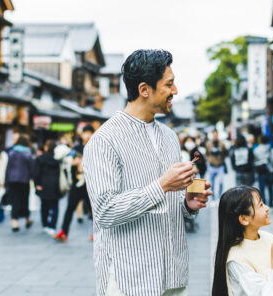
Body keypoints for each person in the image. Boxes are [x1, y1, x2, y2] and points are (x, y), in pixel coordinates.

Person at [83, 49, 212, 296]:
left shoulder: (170, 137)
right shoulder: (105, 141)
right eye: (169, 84)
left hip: (172, 273)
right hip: (129, 277)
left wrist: (187, 205)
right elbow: (104, 212)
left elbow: (169, 203)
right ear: (144, 89)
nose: (175, 91)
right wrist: (162, 185)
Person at [212, 186, 273, 296]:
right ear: (244, 219)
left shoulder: (269, 237)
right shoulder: (236, 259)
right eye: (260, 205)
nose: (267, 208)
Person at [54, 125, 95, 242]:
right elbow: (68, 161)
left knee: (94, 211)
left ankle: (97, 233)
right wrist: (74, 162)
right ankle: (63, 232)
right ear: (81, 135)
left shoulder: (96, 146)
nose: (87, 135)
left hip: (89, 185)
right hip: (76, 184)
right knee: (69, 209)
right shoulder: (76, 148)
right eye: (85, 133)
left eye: (89, 133)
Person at [6, 135, 34, 232]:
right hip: (24, 181)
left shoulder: (12, 153)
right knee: (24, 200)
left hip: (13, 180)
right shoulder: (28, 153)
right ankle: (27, 219)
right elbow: (32, 168)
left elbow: (8, 168)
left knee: (15, 201)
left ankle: (14, 223)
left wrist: (6, 181)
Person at [33, 139, 61, 236]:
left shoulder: (40, 159)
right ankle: (52, 226)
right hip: (55, 185)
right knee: (55, 206)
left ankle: (45, 224)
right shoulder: (57, 160)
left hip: (43, 184)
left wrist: (37, 184)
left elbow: (36, 172)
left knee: (44, 205)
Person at [254, 135, 273, 207]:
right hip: (270, 171)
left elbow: (255, 160)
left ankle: (263, 203)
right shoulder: (272, 150)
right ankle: (271, 202)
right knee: (271, 188)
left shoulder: (256, 150)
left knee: (262, 188)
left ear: (260, 141)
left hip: (261, 171)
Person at [205, 130, 227, 200]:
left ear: (218, 135)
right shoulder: (208, 144)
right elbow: (206, 153)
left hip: (220, 166)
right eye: (214, 135)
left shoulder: (222, 144)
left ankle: (220, 196)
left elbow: (225, 153)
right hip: (211, 166)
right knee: (212, 183)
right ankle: (213, 197)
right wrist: (209, 160)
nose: (215, 136)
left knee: (220, 182)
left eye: (216, 135)